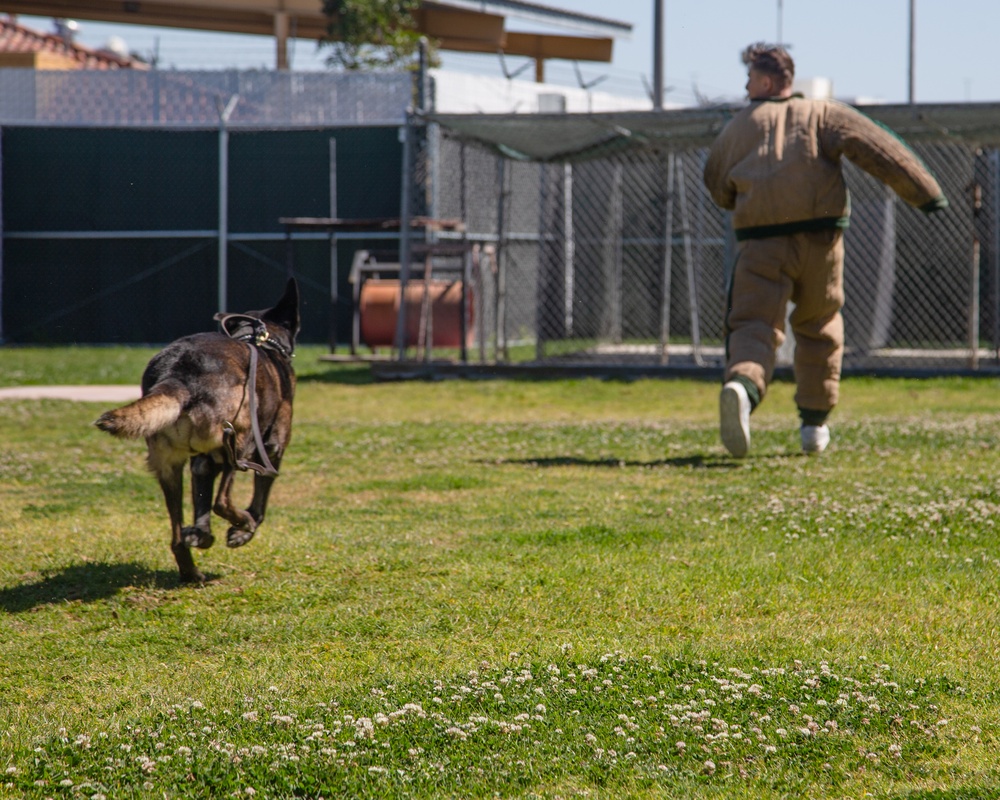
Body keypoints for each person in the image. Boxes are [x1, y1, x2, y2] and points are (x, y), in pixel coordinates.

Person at [703, 43, 948, 457]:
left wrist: (739, 198)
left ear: (765, 81)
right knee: (819, 327)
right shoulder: (823, 114)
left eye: (748, 80)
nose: (745, 88)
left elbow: (716, 184)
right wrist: (926, 196)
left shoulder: (737, 128)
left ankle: (743, 389)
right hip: (821, 242)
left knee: (753, 326)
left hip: (760, 243)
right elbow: (881, 149)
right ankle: (813, 428)